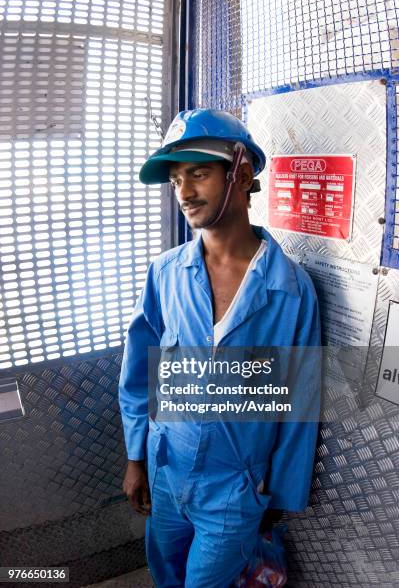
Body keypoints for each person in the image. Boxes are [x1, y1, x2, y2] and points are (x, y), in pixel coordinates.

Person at [118, 109, 321, 587]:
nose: (184, 192)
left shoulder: (290, 290)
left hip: (235, 489)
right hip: (167, 473)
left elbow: (300, 403)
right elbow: (138, 370)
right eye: (175, 179)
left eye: (199, 173)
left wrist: (280, 497)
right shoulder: (166, 273)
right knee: (165, 572)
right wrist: (136, 457)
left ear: (242, 173)